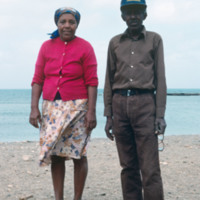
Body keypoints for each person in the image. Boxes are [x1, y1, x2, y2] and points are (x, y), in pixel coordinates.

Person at [29, 7, 98, 200]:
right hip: (51, 108)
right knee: (56, 154)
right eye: (63, 22)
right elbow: (37, 79)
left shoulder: (85, 47)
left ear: (77, 25)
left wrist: (91, 112)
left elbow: (92, 82)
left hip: (78, 108)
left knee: (79, 154)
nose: (67, 25)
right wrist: (34, 108)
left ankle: (77, 198)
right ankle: (58, 198)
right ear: (57, 23)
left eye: (71, 22)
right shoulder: (46, 46)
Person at [104, 0, 167, 200]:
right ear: (123, 16)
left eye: (138, 12)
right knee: (128, 166)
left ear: (145, 15)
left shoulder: (154, 40)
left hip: (145, 105)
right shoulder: (114, 42)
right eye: (129, 12)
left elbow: (160, 79)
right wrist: (108, 115)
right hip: (119, 105)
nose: (133, 16)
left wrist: (160, 115)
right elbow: (109, 78)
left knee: (149, 167)